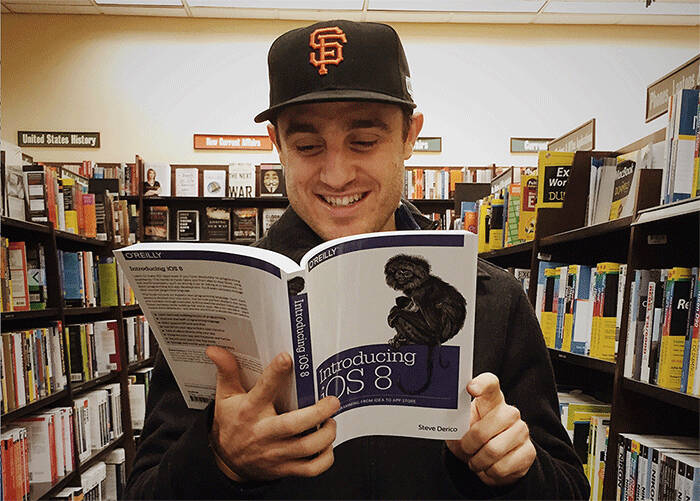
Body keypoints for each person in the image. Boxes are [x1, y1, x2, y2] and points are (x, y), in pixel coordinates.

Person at [126, 20, 590, 499]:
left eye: (364, 141)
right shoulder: (222, 295)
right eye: (307, 146)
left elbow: (569, 489)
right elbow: (143, 491)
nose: (337, 174)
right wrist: (221, 460)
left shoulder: (492, 297)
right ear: (277, 144)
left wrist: (513, 470)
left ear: (410, 136)